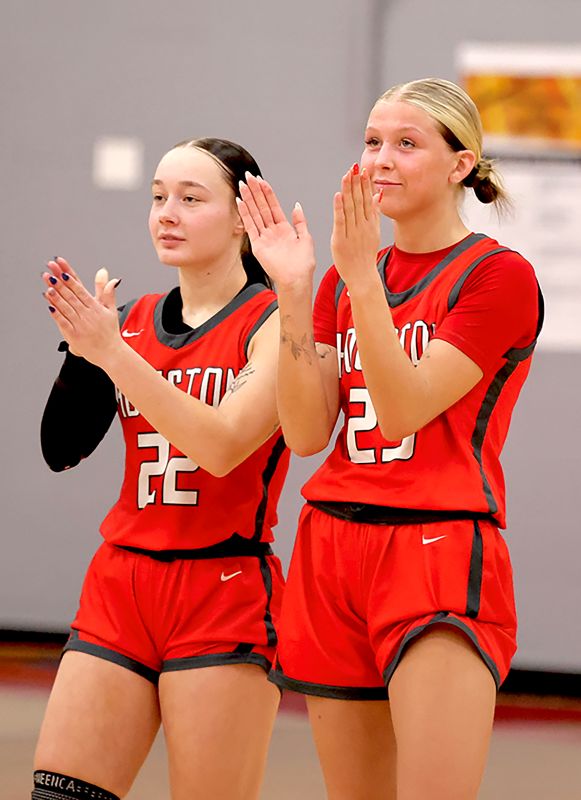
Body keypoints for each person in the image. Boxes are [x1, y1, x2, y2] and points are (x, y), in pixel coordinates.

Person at [237, 79, 543, 800]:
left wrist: (360, 279)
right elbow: (308, 433)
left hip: (435, 543)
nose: (379, 160)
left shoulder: (496, 277)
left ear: (458, 165)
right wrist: (291, 289)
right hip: (333, 544)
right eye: (372, 142)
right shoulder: (345, 281)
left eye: (406, 144)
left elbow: (403, 408)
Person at [35, 138, 289, 800]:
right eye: (156, 197)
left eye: (189, 198)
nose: (165, 213)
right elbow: (59, 448)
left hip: (222, 586)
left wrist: (113, 356)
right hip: (122, 582)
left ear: (241, 219)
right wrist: (84, 355)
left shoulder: (275, 325)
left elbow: (223, 446)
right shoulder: (131, 322)